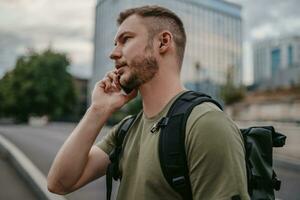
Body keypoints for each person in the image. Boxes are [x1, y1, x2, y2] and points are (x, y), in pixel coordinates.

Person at [47, 5, 250, 200]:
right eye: (115, 44)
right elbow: (60, 183)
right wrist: (99, 109)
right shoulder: (126, 129)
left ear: (163, 42)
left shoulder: (206, 124)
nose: (114, 53)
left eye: (125, 40)